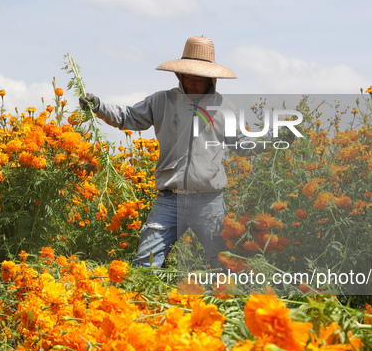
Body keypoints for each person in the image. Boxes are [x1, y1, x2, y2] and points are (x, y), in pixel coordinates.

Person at [80, 36, 258, 270]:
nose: (191, 83)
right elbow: (129, 117)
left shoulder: (224, 108)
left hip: (209, 202)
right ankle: (140, 303)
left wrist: (271, 140)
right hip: (169, 200)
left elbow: (242, 143)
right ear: (179, 75)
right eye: (187, 76)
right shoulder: (162, 101)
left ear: (211, 79)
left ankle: (224, 304)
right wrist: (99, 106)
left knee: (223, 264)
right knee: (145, 263)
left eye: (198, 78)